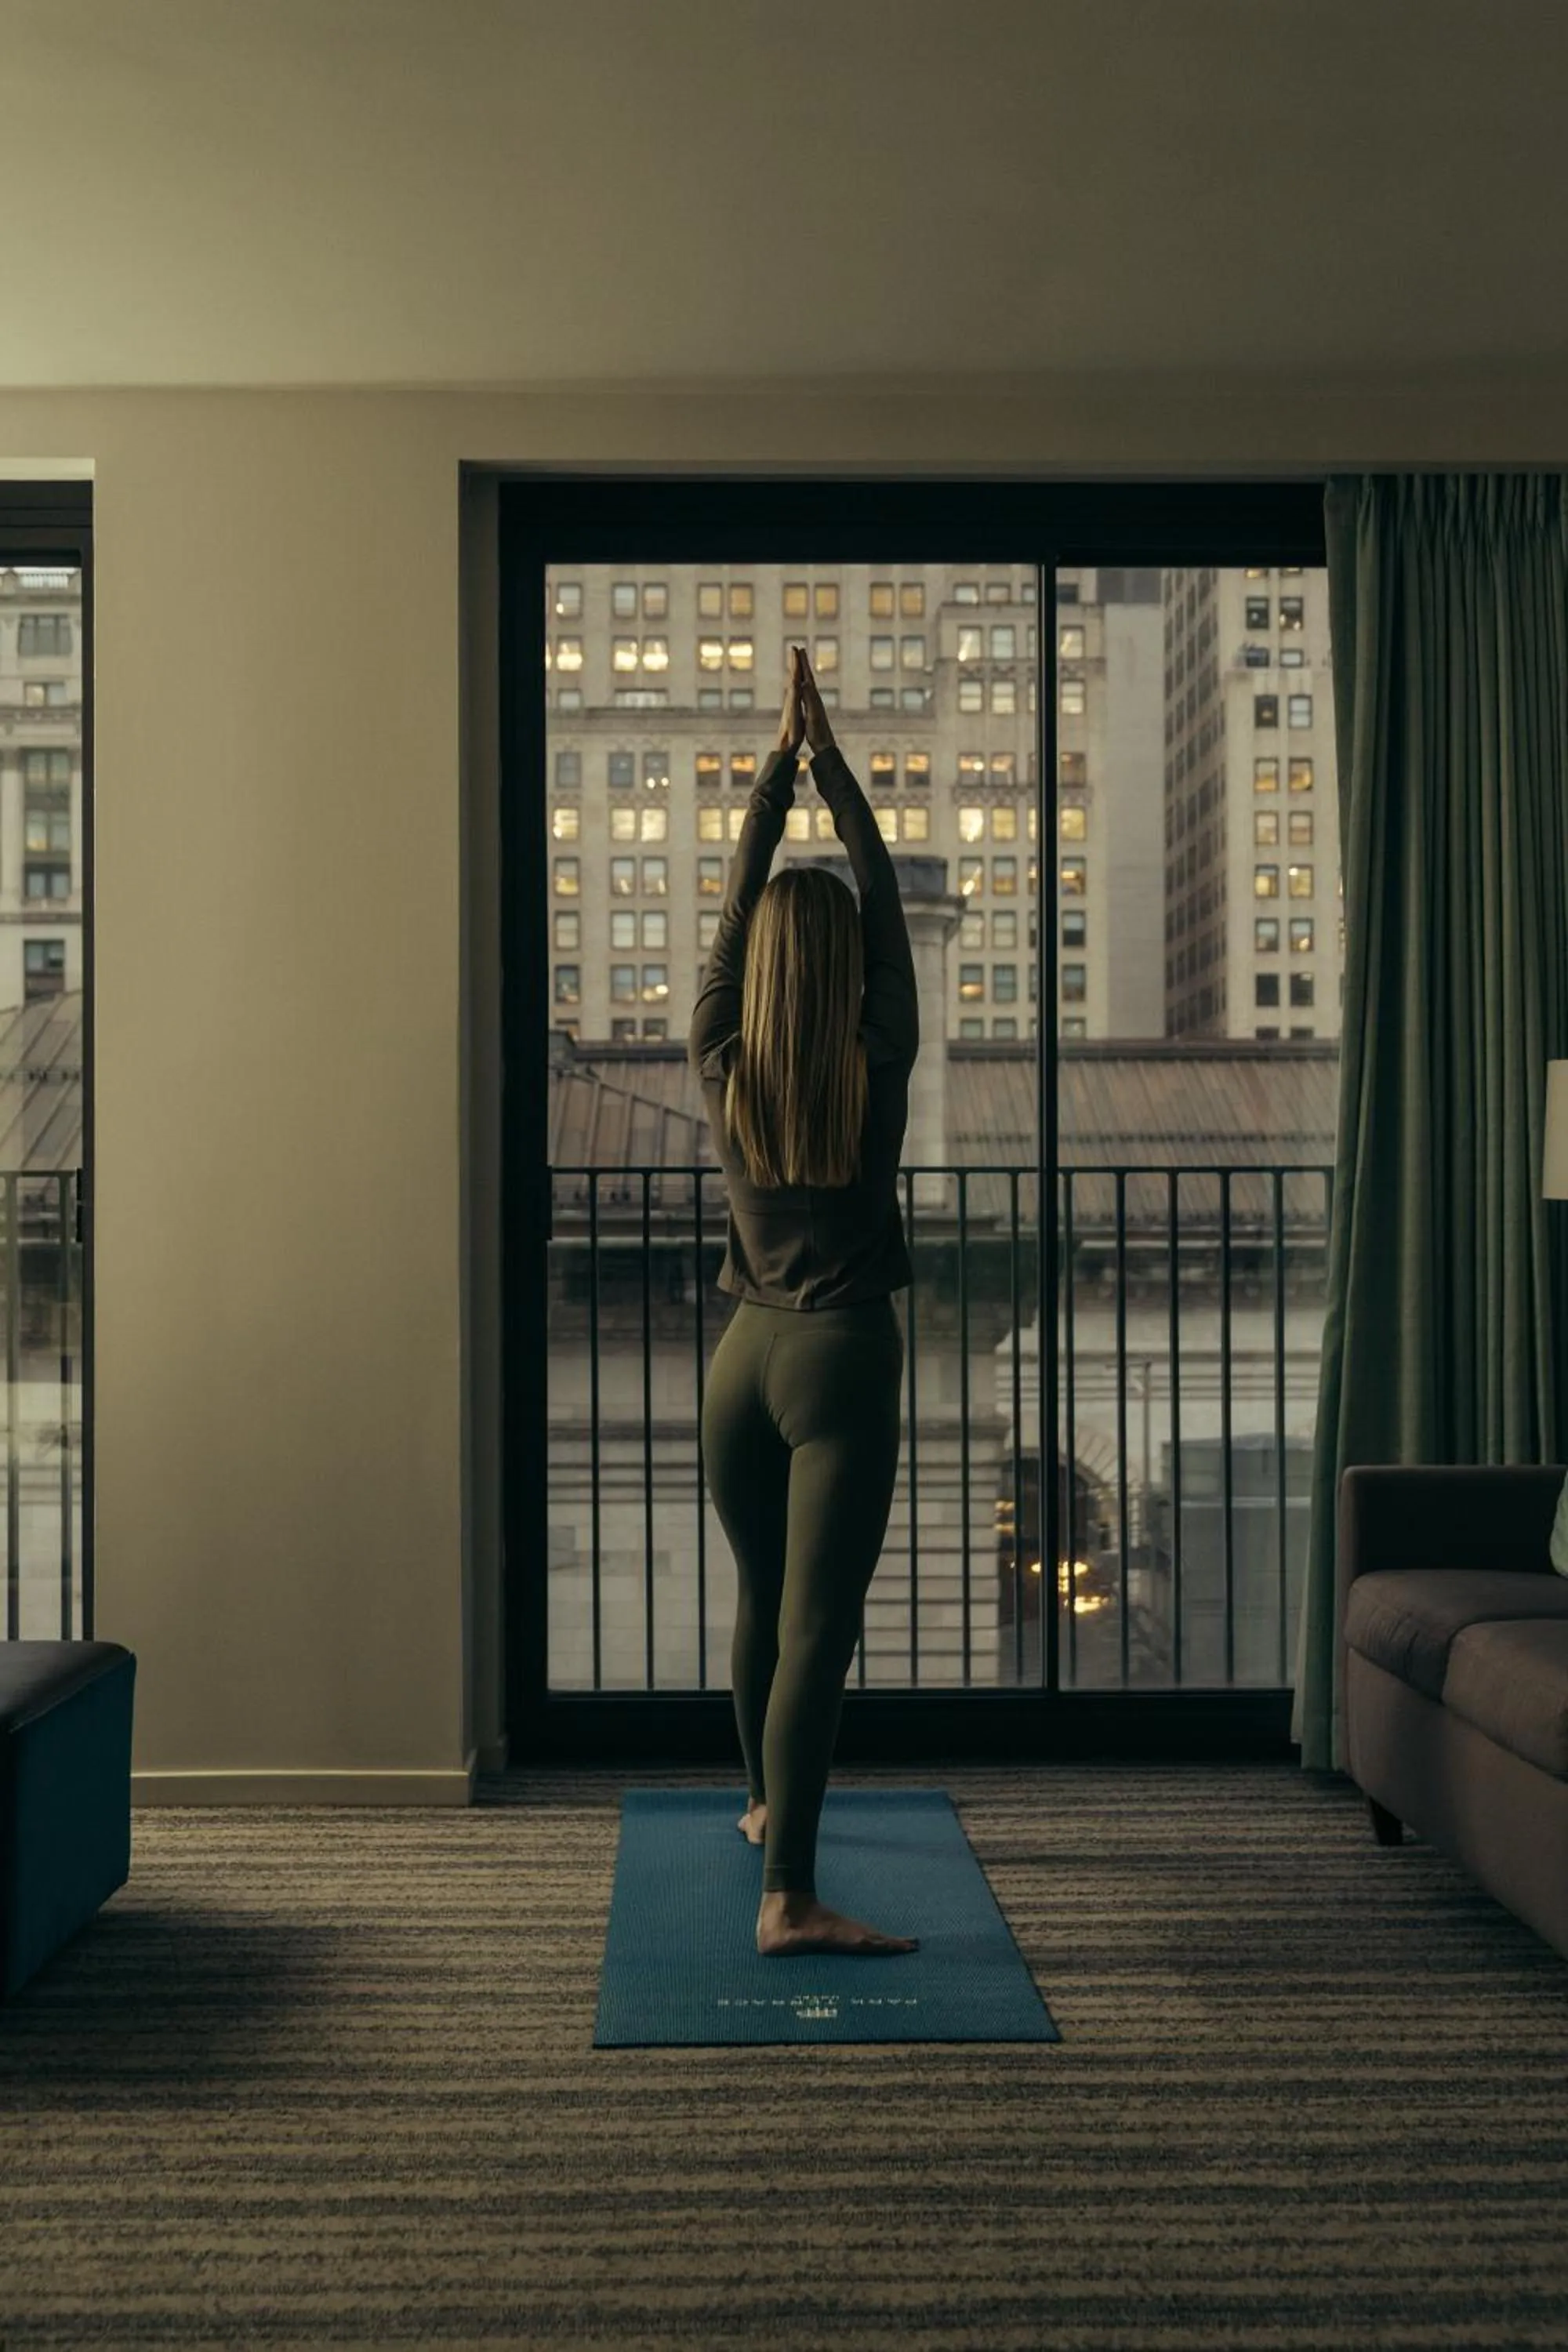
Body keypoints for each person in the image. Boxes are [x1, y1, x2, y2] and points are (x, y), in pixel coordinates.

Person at [688, 644, 921, 1959]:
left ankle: (765, 1805)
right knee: (816, 1633)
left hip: (741, 1360)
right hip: (842, 1358)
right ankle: (789, 1897)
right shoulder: (877, 1060)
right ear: (843, 974)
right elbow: (882, 898)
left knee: (759, 1599)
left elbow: (734, 913)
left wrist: (773, 780)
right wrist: (829, 767)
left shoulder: (721, 1058)